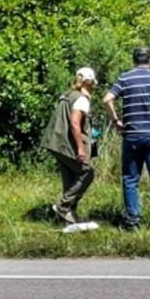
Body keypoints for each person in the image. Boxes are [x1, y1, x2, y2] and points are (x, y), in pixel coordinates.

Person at [102, 47, 150, 230]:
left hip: (132, 135)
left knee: (130, 179)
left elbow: (107, 99)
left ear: (133, 60)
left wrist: (116, 121)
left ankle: (132, 222)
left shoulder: (125, 78)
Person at [39, 67, 99, 225]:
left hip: (55, 143)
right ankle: (63, 207)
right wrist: (80, 148)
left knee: (70, 180)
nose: (93, 87)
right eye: (92, 83)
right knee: (87, 173)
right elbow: (74, 123)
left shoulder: (66, 95)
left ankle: (68, 218)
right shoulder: (81, 99)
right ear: (87, 81)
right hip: (67, 145)